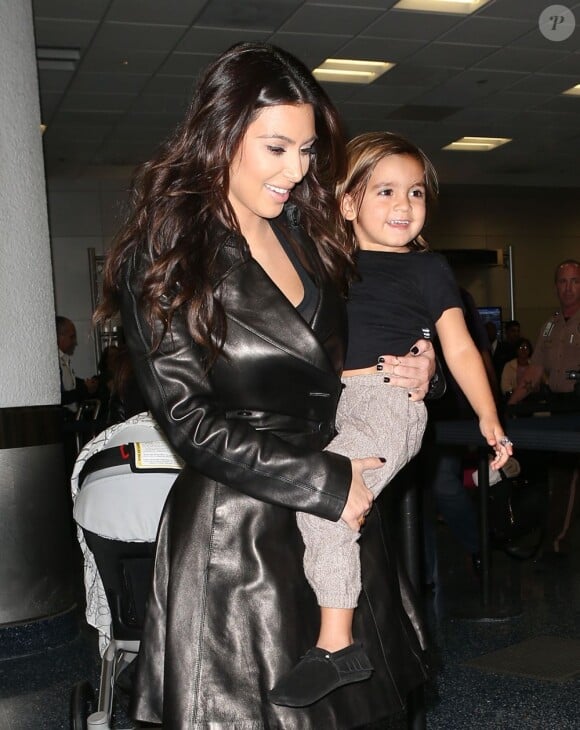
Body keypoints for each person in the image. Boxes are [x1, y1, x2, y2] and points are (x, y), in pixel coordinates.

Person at [94, 43, 438, 730]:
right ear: (221, 135)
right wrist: (327, 484)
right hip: (238, 537)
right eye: (276, 148)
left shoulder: (311, 236)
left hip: (339, 516)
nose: (296, 170)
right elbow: (190, 422)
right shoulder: (164, 257)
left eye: (308, 151)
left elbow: (340, 364)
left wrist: (414, 372)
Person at [269, 132, 513, 707]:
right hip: (333, 405)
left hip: (387, 401)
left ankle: (336, 645)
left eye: (416, 193)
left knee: (330, 500)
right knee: (313, 505)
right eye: (385, 191)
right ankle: (327, 632)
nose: (405, 205)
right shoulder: (326, 262)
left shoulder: (428, 270)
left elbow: (458, 348)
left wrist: (489, 417)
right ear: (348, 201)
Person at [508, 259, 580, 556]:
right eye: (563, 282)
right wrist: (506, 408)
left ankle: (557, 542)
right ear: (555, 287)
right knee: (557, 476)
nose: (569, 288)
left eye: (575, 281)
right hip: (559, 407)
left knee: (571, 478)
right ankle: (552, 538)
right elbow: (535, 370)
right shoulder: (550, 325)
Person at [56, 315, 98, 413]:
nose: (75, 342)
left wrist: (88, 385)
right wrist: (84, 389)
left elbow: (71, 385)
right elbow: (59, 398)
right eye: (72, 337)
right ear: (59, 336)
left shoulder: (63, 359)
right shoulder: (54, 363)